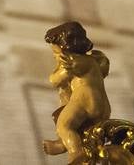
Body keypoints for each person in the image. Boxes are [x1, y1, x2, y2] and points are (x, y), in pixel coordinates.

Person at [42, 21, 111, 163]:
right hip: (103, 107)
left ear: (66, 48)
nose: (55, 56)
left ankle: (76, 153)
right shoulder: (93, 61)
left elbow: (55, 80)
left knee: (64, 125)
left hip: (85, 100)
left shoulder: (74, 61)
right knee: (72, 124)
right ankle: (63, 144)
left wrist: (58, 67)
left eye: (56, 53)